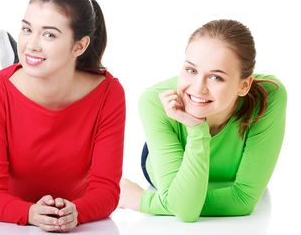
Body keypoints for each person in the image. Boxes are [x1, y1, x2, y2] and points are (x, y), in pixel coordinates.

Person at [0, 0, 126, 232]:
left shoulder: (109, 93)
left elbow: (106, 191)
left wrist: (77, 212)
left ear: (80, 46)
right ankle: (12, 64)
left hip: (54, 182)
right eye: (26, 29)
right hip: (3, 174)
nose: (32, 44)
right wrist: (29, 213)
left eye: (49, 35)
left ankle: (19, 63)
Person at [119, 19, 286, 222]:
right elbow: (186, 212)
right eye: (191, 70)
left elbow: (242, 199)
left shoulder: (270, 95)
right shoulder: (155, 101)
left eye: (216, 77)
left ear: (244, 85)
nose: (198, 88)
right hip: (172, 154)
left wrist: (145, 201)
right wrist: (196, 127)